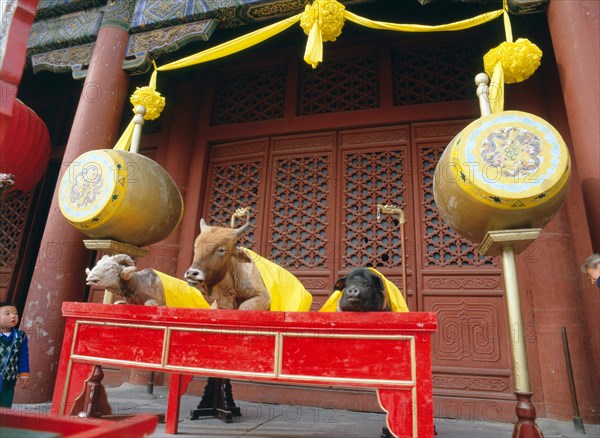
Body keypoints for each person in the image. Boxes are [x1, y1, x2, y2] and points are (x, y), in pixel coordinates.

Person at [0, 301, 30, 408]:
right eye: (7, 314)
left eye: (15, 313)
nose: (13, 316)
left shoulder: (20, 336)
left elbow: (23, 357)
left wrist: (24, 374)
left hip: (9, 379)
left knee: (4, 405)